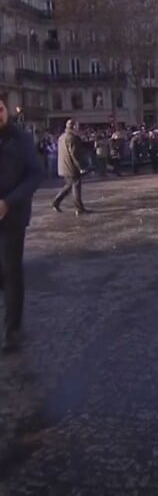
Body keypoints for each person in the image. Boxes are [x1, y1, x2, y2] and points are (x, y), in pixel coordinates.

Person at [0, 98, 44, 352]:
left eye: (0, 109)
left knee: (11, 269)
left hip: (13, 215)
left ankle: (12, 329)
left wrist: (9, 202)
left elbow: (36, 173)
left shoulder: (22, 138)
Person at [52, 119, 89, 215]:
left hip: (63, 166)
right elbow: (74, 154)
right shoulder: (73, 138)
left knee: (68, 185)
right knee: (76, 185)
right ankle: (79, 208)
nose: (78, 128)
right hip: (71, 166)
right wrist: (80, 167)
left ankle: (56, 202)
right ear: (73, 127)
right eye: (77, 126)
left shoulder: (62, 137)